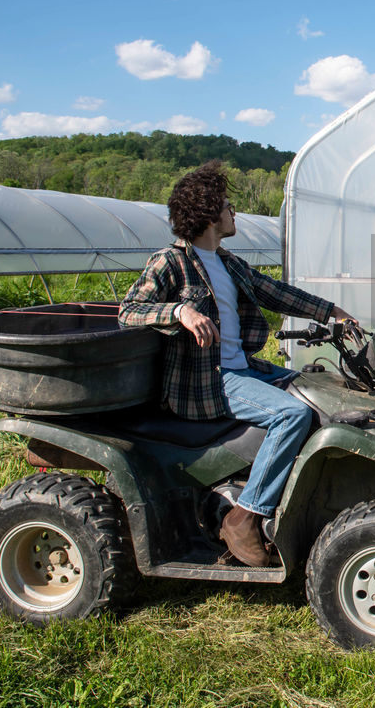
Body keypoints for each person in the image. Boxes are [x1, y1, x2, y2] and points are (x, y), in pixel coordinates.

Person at [118, 161, 352, 567]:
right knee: (292, 415)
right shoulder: (170, 262)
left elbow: (275, 292)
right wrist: (179, 313)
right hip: (210, 380)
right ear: (209, 214)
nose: (234, 212)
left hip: (242, 368)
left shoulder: (227, 262)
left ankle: (306, 503)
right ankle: (245, 514)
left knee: (321, 390)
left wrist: (332, 311)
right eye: (227, 205)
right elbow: (128, 310)